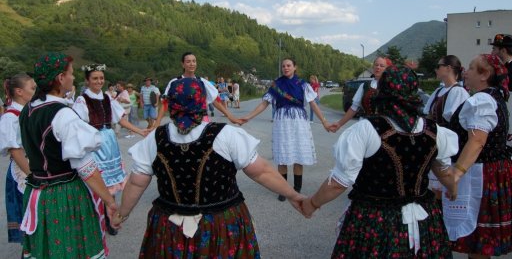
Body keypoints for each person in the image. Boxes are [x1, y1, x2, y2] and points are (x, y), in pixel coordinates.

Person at [110, 77, 305, 258]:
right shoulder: (226, 135)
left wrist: (122, 214)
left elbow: (136, 183)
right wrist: (293, 195)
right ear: (202, 102)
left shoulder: (155, 138)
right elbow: (261, 172)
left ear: (172, 104)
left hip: (170, 227)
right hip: (221, 226)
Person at [302, 66, 457, 258]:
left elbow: (338, 183)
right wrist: (453, 188)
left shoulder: (367, 129)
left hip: (374, 221)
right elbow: (445, 172)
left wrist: (312, 203)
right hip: (423, 219)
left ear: (382, 91)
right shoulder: (434, 131)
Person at [18, 52, 117, 258]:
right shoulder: (62, 114)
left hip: (37, 191)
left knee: (46, 250)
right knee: (70, 249)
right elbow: (86, 167)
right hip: (63, 195)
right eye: (71, 73)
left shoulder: (28, 109)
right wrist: (109, 200)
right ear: (61, 78)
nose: (73, 78)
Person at [443, 54, 512, 258]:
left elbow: (477, 141)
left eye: (472, 68)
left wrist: (456, 174)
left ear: (485, 75)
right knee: (480, 242)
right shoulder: (494, 97)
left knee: (479, 239)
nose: (466, 71)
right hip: (493, 170)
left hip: (481, 173)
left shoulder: (482, 100)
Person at [73, 63, 147, 235]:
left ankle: (109, 215)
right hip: (93, 142)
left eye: (101, 78)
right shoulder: (82, 100)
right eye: (95, 78)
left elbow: (121, 119)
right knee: (96, 179)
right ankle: (95, 216)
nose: (99, 81)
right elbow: (78, 125)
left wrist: (139, 130)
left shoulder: (107, 98)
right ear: (87, 80)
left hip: (109, 142)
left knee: (111, 183)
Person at [242, 58, 331, 201]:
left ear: (295, 67)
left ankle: (296, 189)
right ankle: (283, 190)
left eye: (289, 65)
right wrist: (248, 116)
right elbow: (264, 104)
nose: (286, 68)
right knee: (282, 157)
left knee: (298, 156)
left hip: (299, 123)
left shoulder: (303, 85)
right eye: (283, 66)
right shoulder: (276, 84)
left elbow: (313, 105)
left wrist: (325, 122)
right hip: (282, 122)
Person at [423, 55, 469, 201]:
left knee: (442, 191)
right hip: (434, 143)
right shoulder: (438, 91)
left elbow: (451, 123)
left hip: (447, 147)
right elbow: (428, 115)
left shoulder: (458, 92)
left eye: (439, 66)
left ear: (448, 68)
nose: (436, 69)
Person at [156, 52, 242, 126]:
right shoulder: (174, 82)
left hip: (201, 121)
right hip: (181, 121)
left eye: (194, 61)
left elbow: (215, 100)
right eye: (188, 61)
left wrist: (230, 117)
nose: (192, 64)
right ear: (182, 64)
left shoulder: (202, 82)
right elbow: (165, 103)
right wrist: (157, 124)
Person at [0, 73, 36, 244]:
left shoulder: (29, 111)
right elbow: (15, 151)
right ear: (19, 91)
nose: (35, 92)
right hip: (22, 171)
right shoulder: (10, 117)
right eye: (33, 88)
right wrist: (32, 175)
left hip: (34, 167)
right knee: (28, 219)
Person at [330, 57, 393, 132]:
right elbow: (354, 108)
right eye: (376, 65)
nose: (378, 67)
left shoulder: (392, 87)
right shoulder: (364, 86)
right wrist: (339, 124)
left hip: (385, 129)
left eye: (382, 66)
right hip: (365, 126)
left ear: (387, 69)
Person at [490, 33, 512, 147]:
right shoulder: (497, 69)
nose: (492, 52)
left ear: (503, 50)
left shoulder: (509, 69)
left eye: (494, 48)